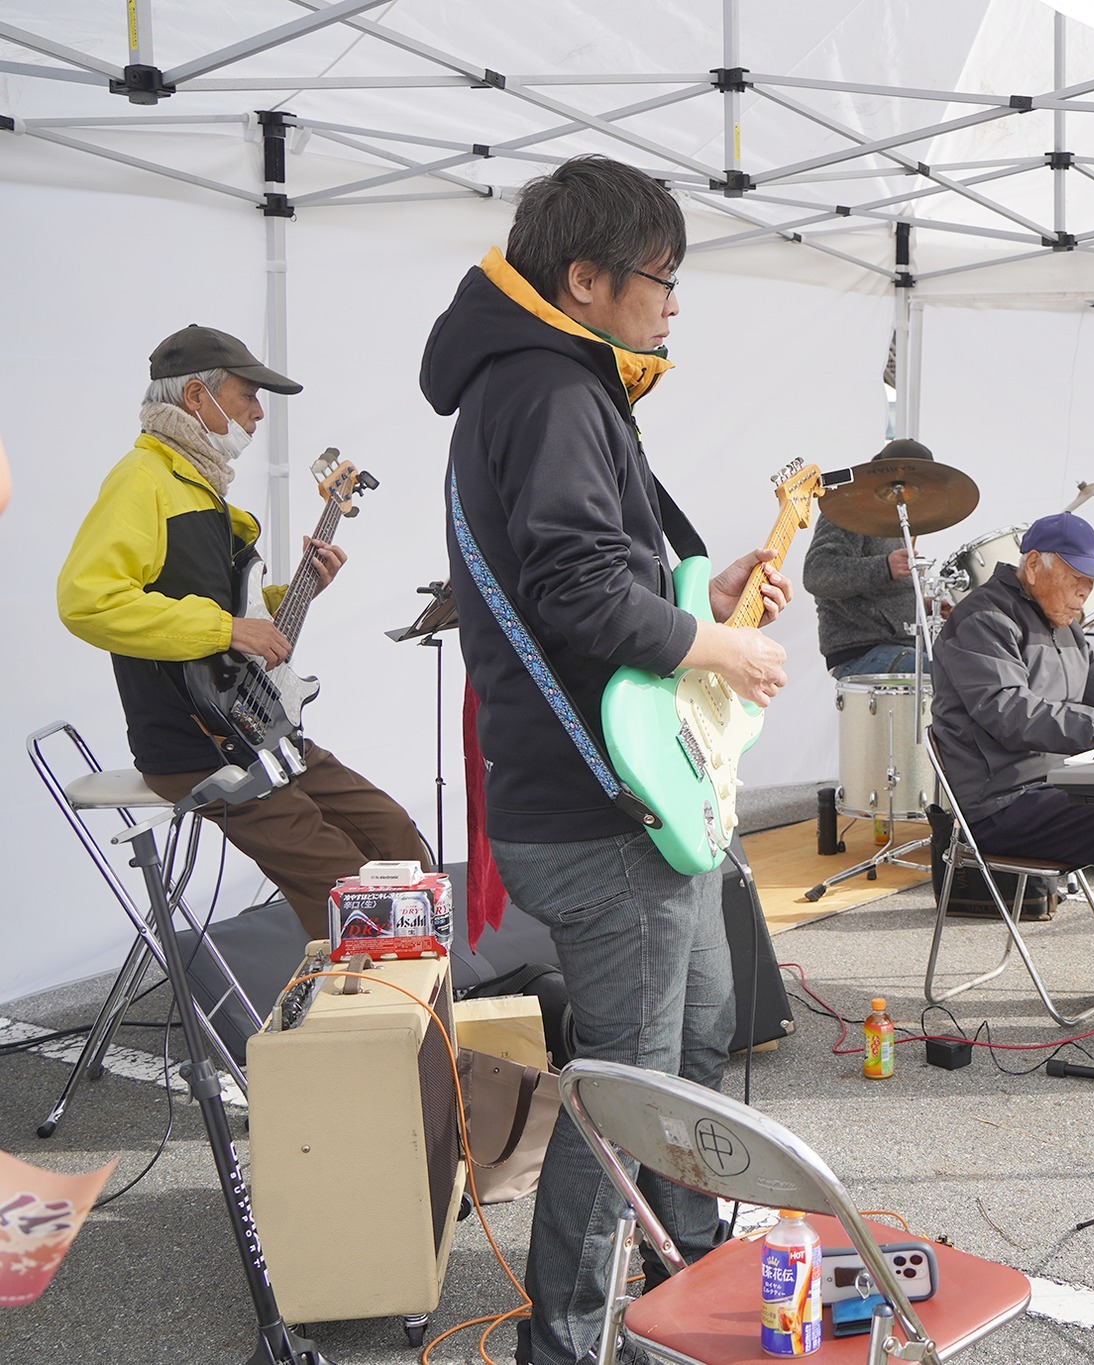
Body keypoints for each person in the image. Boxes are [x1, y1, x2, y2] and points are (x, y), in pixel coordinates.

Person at [420, 155, 791, 1365]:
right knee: (626, 1097)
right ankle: (569, 1347)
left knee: (687, 1052)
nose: (672, 304)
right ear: (585, 280)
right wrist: (721, 645)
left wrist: (705, 589)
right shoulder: (550, 388)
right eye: (659, 280)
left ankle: (681, 1301)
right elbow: (578, 594)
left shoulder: (544, 380)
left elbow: (593, 574)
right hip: (599, 810)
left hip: (615, 799)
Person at [58, 324, 431, 938]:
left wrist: (297, 592)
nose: (259, 414)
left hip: (257, 730)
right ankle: (385, 1018)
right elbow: (86, 601)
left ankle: (417, 995)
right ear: (197, 400)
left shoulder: (203, 489)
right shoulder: (140, 481)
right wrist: (227, 629)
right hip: (196, 747)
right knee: (354, 889)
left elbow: (226, 607)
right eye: (247, 396)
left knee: (393, 834)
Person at [927, 512, 1094, 1025]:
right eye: (1076, 579)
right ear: (1033, 565)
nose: (1084, 593)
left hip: (1052, 790)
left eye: (1090, 582)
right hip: (999, 803)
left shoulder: (1062, 624)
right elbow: (1010, 712)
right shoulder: (984, 620)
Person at [804, 437, 931, 678]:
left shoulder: (897, 523)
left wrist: (926, 607)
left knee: (967, 666)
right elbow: (816, 573)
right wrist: (885, 567)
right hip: (862, 651)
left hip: (901, 647)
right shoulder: (849, 511)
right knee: (955, 675)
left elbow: (883, 595)